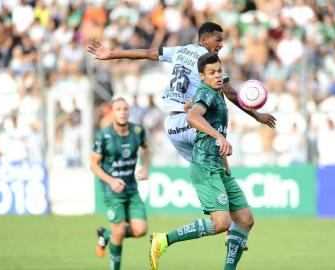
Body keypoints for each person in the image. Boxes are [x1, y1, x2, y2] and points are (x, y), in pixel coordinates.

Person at [87, 22, 276, 163]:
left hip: (171, 124)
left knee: (210, 173)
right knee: (218, 165)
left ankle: (219, 211)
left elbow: (146, 53)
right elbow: (232, 95)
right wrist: (256, 115)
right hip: (191, 123)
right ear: (204, 40)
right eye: (218, 40)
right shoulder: (209, 64)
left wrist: (112, 54)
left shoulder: (180, 50)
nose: (221, 45)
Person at [149, 53, 253, 270]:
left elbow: (190, 107)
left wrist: (190, 105)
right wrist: (219, 136)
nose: (217, 76)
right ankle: (164, 239)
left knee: (245, 219)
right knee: (221, 223)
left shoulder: (214, 93)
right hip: (205, 167)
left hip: (220, 167)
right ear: (202, 77)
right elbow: (192, 117)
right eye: (212, 73)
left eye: (219, 71)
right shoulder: (207, 92)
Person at [91, 97, 150, 270]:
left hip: (131, 188)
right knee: (119, 231)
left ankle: (105, 234)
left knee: (140, 230)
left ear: (129, 111)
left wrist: (145, 168)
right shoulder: (104, 136)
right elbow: (93, 164)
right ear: (112, 112)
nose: (122, 112)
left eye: (125, 109)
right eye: (118, 109)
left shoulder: (138, 131)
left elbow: (146, 148)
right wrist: (110, 181)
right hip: (112, 190)